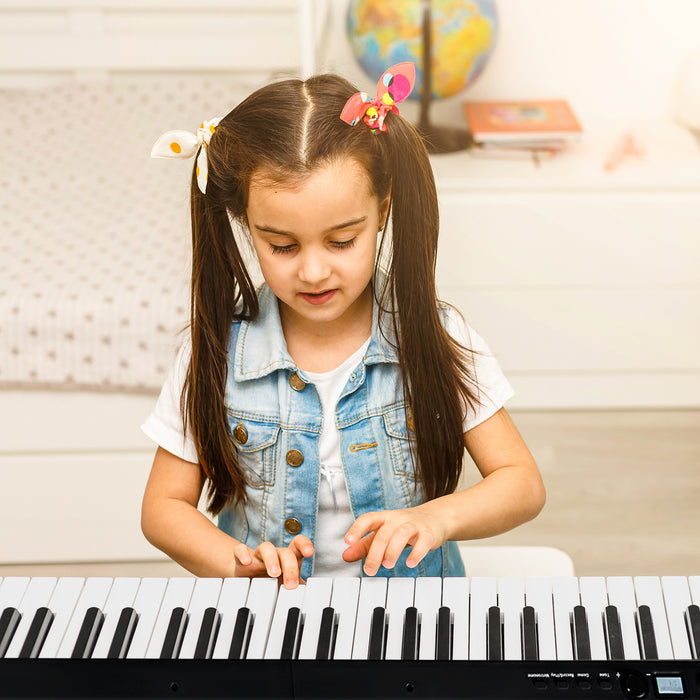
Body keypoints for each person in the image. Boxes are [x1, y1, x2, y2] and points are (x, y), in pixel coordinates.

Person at [141, 63, 545, 589]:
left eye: (341, 241)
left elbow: (521, 484)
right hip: (275, 618)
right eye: (282, 246)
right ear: (245, 222)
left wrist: (435, 518)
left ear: (381, 212)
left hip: (412, 617)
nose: (312, 272)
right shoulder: (218, 352)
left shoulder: (437, 336)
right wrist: (234, 560)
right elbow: (163, 508)